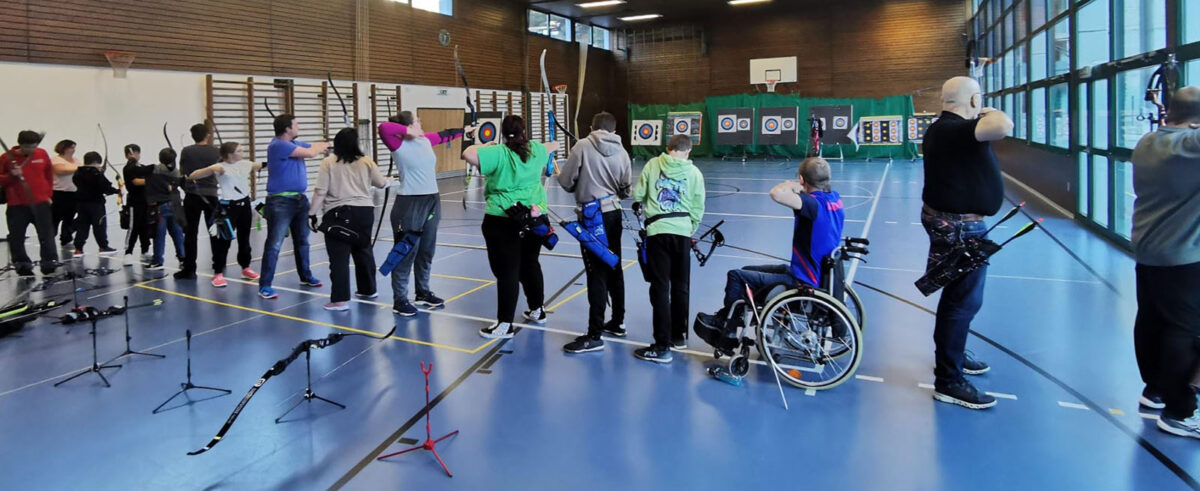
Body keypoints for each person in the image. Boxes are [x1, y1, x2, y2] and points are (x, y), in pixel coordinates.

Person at [920, 76, 1013, 410]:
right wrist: (985, 109)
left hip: (959, 225)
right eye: (979, 99)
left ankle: (953, 357)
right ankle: (949, 379)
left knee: (961, 299)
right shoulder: (951, 130)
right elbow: (1003, 125)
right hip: (959, 228)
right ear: (973, 100)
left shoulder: (946, 129)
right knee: (962, 302)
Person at [695, 157, 845, 339]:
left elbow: (777, 193)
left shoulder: (812, 205)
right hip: (817, 274)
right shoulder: (835, 199)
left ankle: (728, 327)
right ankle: (731, 315)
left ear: (802, 180)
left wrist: (792, 185)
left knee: (735, 276)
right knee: (747, 271)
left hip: (803, 281)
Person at [1131, 86, 1200, 439]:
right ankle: (1179, 411)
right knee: (1183, 332)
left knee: (1152, 321)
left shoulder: (1147, 143)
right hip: (1181, 258)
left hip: (1148, 251)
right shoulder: (1189, 146)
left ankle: (1155, 389)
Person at [462, 115, 558, 339]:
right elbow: (554, 145)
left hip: (503, 219)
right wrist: (547, 144)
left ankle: (505, 324)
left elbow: (468, 154)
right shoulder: (535, 149)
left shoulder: (498, 153)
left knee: (507, 273)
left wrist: (481, 144)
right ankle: (537, 309)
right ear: (524, 131)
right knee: (530, 264)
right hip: (534, 218)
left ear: (503, 134)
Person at [378, 111, 474, 315]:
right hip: (409, 203)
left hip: (432, 200)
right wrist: (408, 131)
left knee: (426, 250)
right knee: (406, 252)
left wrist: (464, 131)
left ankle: (422, 292)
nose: (420, 124)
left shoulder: (424, 140)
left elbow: (444, 135)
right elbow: (383, 128)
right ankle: (400, 300)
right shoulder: (398, 144)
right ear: (409, 126)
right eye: (416, 121)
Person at [557, 111, 633, 354]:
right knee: (614, 265)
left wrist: (577, 179)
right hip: (613, 214)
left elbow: (566, 182)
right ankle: (618, 322)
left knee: (596, 272)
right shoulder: (622, 151)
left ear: (591, 127)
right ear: (613, 129)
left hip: (592, 217)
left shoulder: (582, 145)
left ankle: (594, 334)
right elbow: (626, 190)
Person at [631, 134, 705, 364]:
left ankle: (662, 345)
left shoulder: (653, 164)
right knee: (681, 286)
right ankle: (678, 336)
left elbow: (638, 195)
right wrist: (689, 228)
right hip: (682, 231)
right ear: (688, 151)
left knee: (660, 287)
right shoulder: (694, 173)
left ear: (667, 148)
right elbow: (698, 205)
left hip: (658, 232)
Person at [310, 128, 389, 311]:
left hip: (338, 214)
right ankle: (368, 289)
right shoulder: (366, 161)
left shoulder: (329, 162)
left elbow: (320, 191)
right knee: (363, 250)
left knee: (339, 257)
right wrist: (387, 180)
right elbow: (381, 183)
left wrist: (311, 213)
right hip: (364, 213)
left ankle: (339, 300)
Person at [258, 114, 330, 299]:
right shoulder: (278, 145)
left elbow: (313, 146)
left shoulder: (291, 145)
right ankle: (265, 285)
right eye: (295, 125)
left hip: (299, 200)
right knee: (274, 244)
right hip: (280, 202)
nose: (298, 127)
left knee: (302, 241)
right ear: (287, 129)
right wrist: (322, 146)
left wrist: (328, 143)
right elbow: (312, 152)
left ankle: (305, 275)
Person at [187, 142, 262, 287]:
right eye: (239, 150)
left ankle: (245, 267)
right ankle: (218, 273)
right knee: (223, 241)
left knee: (245, 238)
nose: (243, 152)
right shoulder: (221, 168)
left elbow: (262, 164)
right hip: (228, 207)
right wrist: (210, 168)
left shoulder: (246, 164)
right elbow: (192, 176)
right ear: (229, 154)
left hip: (244, 205)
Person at [0, 131, 58, 276]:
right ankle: (22, 264)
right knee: (17, 236)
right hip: (17, 204)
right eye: (28, 147)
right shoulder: (7, 158)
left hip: (40, 202)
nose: (32, 150)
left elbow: (48, 174)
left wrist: (48, 194)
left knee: (47, 234)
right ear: (20, 144)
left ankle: (49, 261)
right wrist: (11, 176)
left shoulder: (42, 154)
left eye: (34, 146)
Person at [176, 123, 221, 280]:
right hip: (211, 196)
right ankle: (218, 265)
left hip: (192, 196)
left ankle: (189, 268)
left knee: (190, 233)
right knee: (214, 231)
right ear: (207, 135)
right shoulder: (216, 151)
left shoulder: (187, 151)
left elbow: (183, 173)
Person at [70, 151, 119, 256]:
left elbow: (77, 182)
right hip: (95, 204)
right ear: (96, 162)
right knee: (99, 225)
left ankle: (78, 249)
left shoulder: (78, 172)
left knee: (82, 226)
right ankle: (103, 246)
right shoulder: (96, 173)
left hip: (81, 203)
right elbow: (105, 187)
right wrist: (117, 191)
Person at [145, 148, 185, 271]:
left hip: (160, 205)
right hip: (175, 204)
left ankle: (158, 260)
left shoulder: (154, 170)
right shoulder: (177, 172)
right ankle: (183, 259)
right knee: (177, 233)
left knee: (159, 234)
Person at [122, 144, 153, 262]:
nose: (135, 155)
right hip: (134, 202)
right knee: (133, 227)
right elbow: (136, 182)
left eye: (137, 152)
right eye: (132, 153)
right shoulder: (129, 168)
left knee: (145, 226)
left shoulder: (141, 167)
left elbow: (149, 171)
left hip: (145, 201)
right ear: (127, 155)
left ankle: (145, 250)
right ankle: (128, 252)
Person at [50, 139, 82, 247]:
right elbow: (61, 171)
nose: (74, 150)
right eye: (71, 147)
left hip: (73, 193)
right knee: (55, 218)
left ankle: (66, 237)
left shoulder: (76, 160)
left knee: (70, 217)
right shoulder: (55, 160)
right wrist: (83, 168)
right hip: (59, 194)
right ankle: (49, 239)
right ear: (64, 148)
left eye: (74, 147)